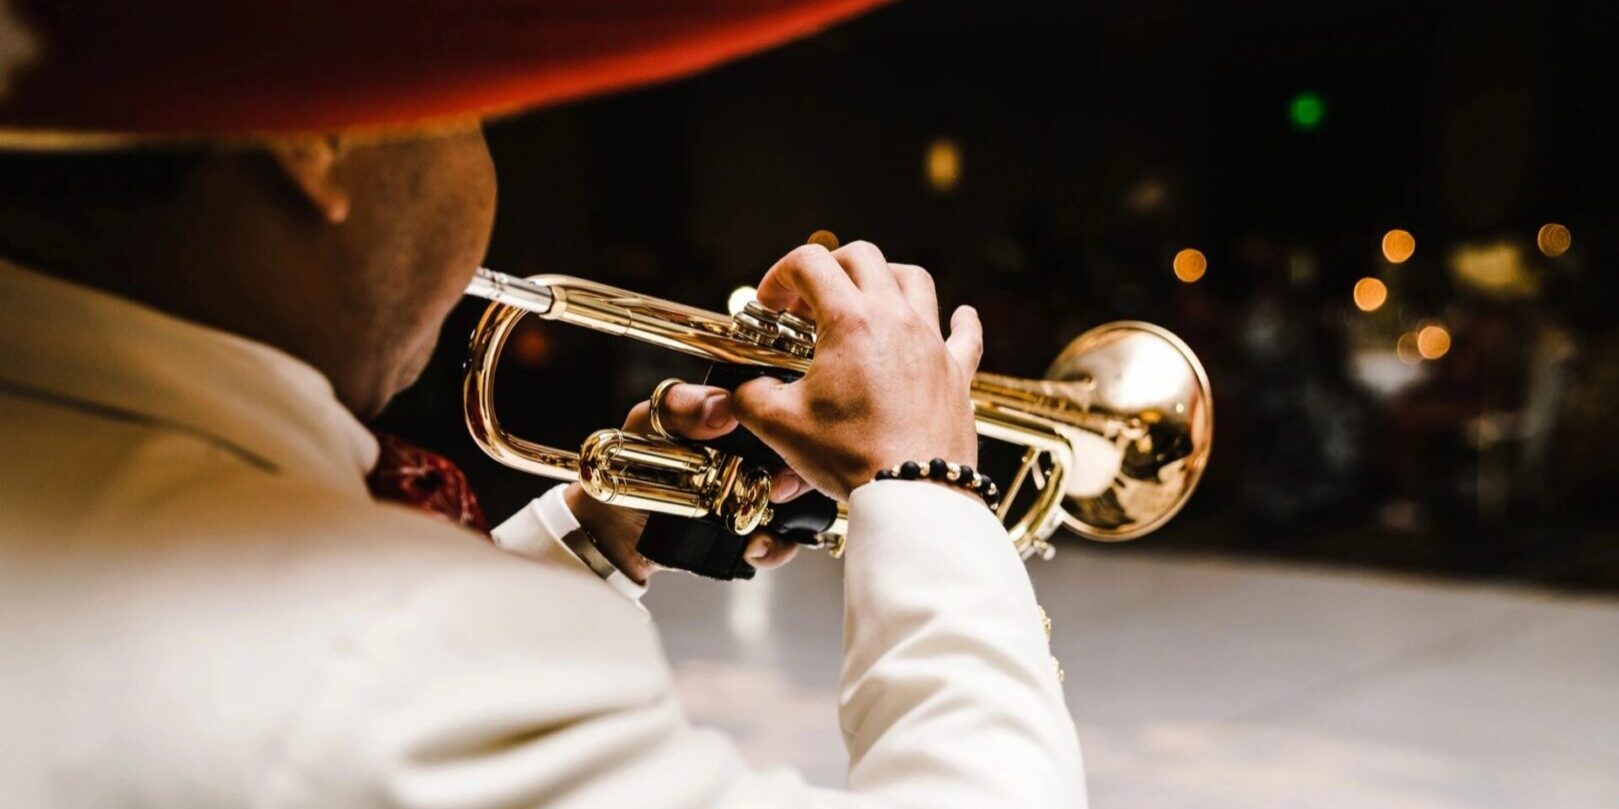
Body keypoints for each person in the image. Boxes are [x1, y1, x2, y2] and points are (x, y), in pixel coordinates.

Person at [0, 4, 1084, 807]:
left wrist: (602, 526)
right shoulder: (400, 653)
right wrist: (926, 485)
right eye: (473, 118)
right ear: (313, 142)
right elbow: (370, 679)